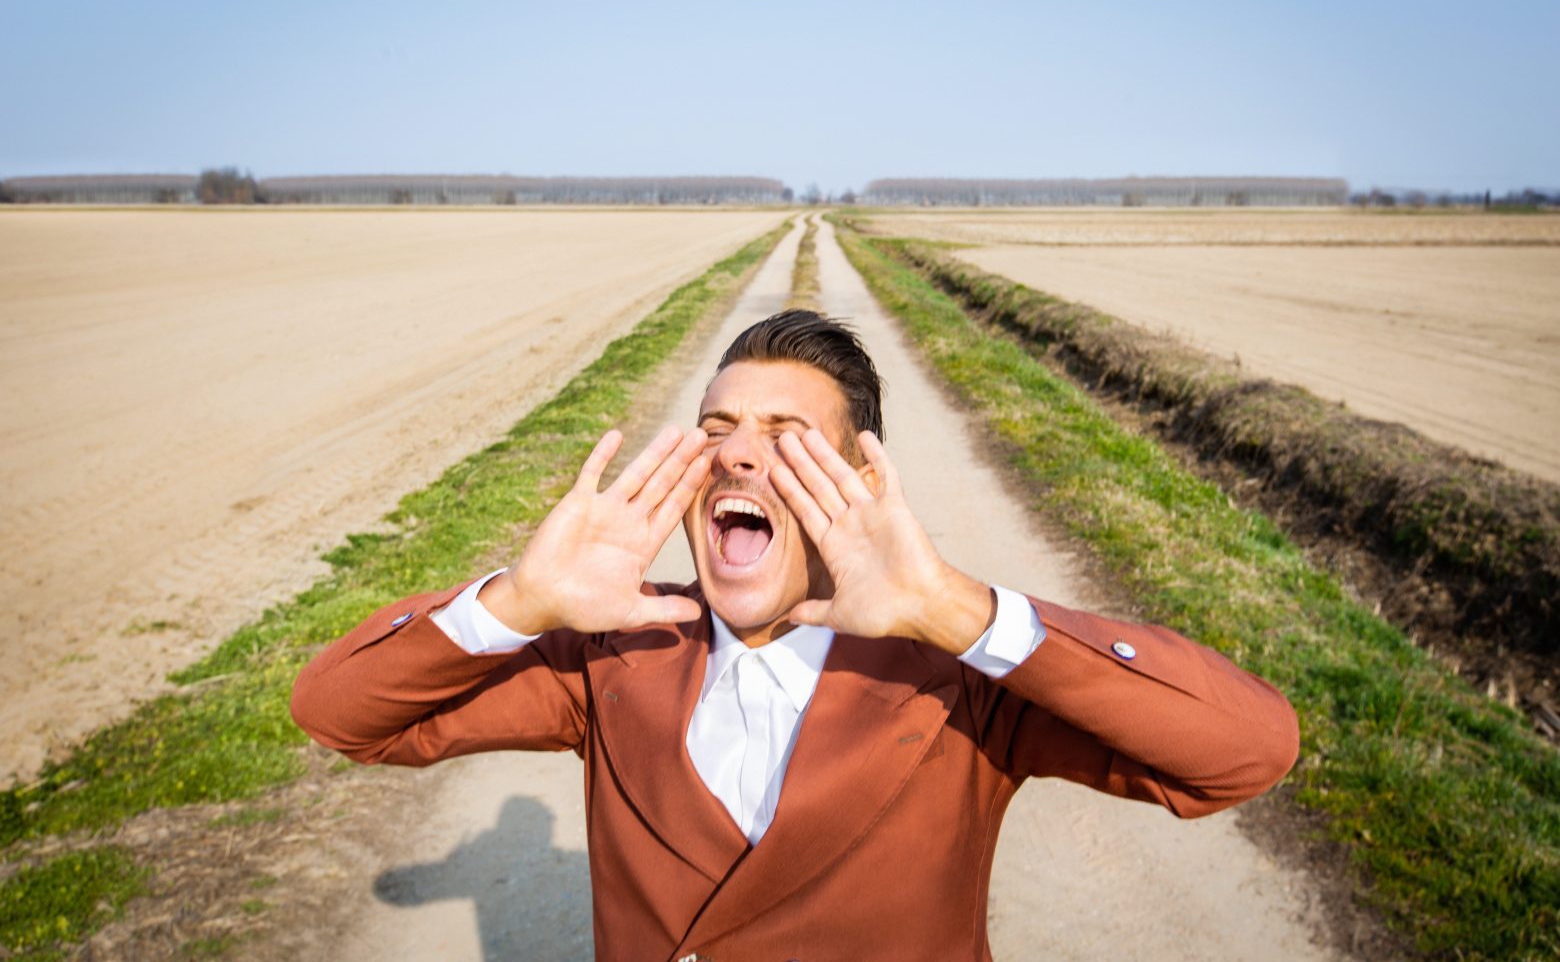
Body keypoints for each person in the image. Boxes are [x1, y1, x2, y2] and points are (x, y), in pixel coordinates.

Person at [291, 309, 1299, 962]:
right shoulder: (618, 649)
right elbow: (339, 713)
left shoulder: (954, 675)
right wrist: (518, 601)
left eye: (785, 438)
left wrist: (956, 610)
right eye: (717, 428)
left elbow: (1246, 751)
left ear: (860, 480)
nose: (738, 455)